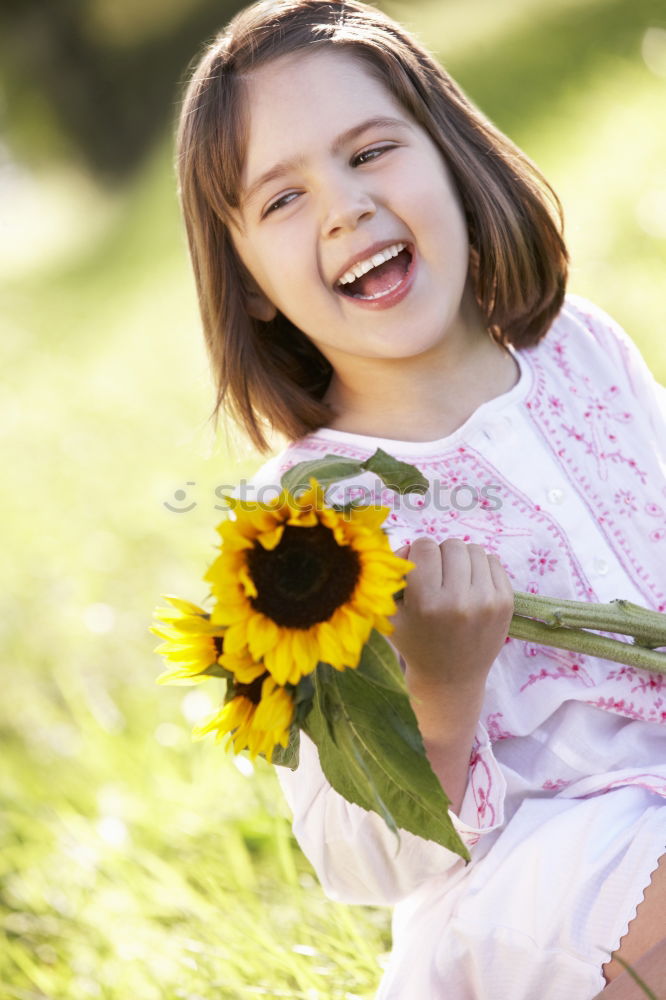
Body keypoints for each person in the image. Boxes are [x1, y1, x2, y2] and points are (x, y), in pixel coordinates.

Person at [174, 1, 666, 996]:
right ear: (252, 284)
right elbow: (357, 859)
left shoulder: (580, 349)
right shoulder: (306, 538)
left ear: (449, 153)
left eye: (370, 151)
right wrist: (442, 692)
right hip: (533, 894)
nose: (346, 208)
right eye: (283, 199)